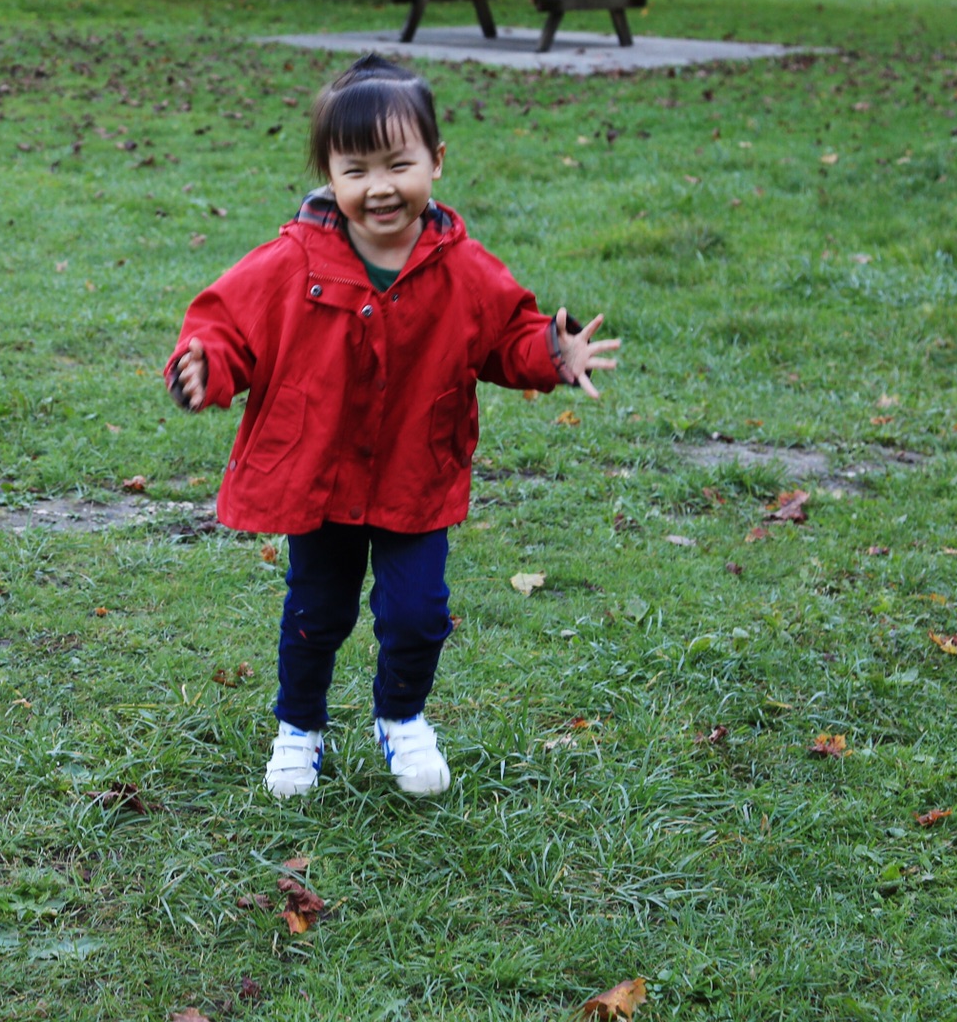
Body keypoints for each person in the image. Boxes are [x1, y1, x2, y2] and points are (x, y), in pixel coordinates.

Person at [166, 54, 620, 800]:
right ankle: (299, 727)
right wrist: (205, 365)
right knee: (317, 610)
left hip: (417, 469)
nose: (379, 187)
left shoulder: (463, 267)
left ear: (436, 162)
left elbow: (507, 334)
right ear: (329, 174)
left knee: (417, 612)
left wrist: (550, 352)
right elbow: (229, 326)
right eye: (356, 169)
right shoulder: (294, 258)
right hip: (322, 474)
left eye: (399, 164)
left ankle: (401, 718)